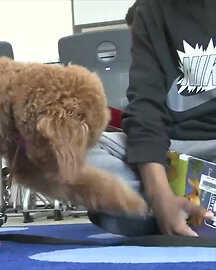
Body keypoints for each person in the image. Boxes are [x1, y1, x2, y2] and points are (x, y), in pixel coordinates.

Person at [87, 0, 215, 237]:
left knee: (109, 204)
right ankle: (174, 208)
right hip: (170, 155)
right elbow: (145, 111)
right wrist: (160, 195)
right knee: (72, 148)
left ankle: (149, 212)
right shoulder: (152, 10)